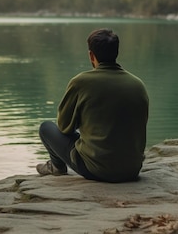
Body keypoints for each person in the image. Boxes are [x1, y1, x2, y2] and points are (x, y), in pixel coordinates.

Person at [36, 28, 149, 183]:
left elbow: (64, 127)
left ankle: (57, 167)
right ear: (116, 52)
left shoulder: (81, 82)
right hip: (131, 169)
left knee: (46, 128)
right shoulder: (138, 85)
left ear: (91, 55)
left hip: (97, 170)